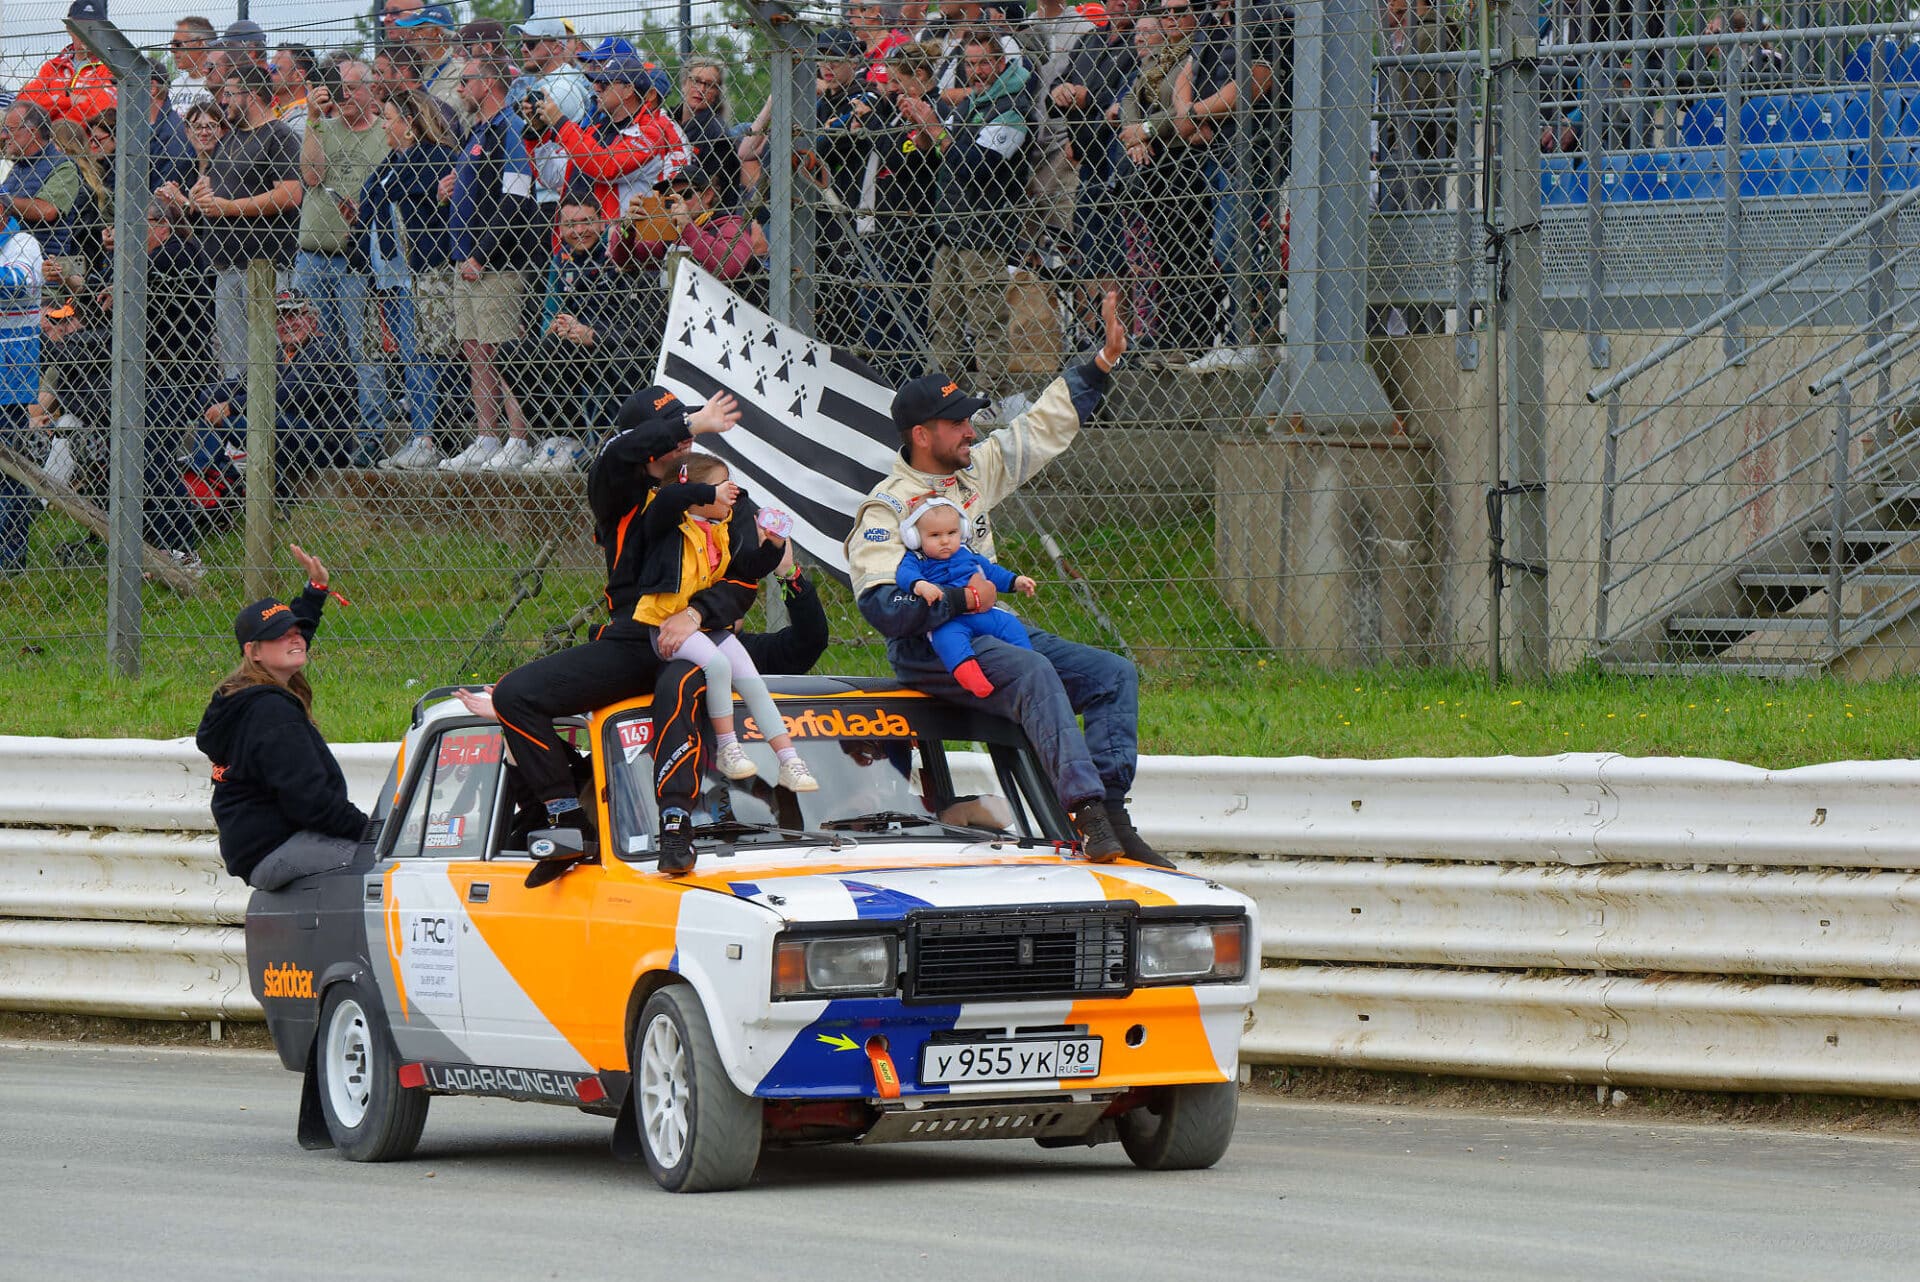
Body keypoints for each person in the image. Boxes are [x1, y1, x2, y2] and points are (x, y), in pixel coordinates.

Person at [844, 290, 1170, 867]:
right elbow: (882, 607)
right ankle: (1087, 814)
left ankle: (1114, 817)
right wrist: (958, 598)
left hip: (995, 629)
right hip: (931, 649)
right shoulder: (885, 508)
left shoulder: (974, 474)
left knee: (1113, 674)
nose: (972, 430)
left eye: (971, 419)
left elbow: (1039, 429)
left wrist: (1103, 362)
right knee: (1034, 670)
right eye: (958, 422)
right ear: (922, 434)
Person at [489, 385, 748, 874]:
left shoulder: (720, 487)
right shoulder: (617, 486)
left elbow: (744, 575)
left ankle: (677, 829)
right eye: (671, 430)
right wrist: (692, 423)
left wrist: (697, 614)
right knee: (514, 695)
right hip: (634, 638)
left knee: (678, 689)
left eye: (685, 425)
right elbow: (617, 450)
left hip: (703, 639)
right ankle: (567, 821)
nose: (683, 441)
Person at [632, 453, 817, 794]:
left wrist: (774, 545)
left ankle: (789, 760)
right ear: (697, 491)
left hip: (704, 625)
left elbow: (748, 568)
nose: (734, 492)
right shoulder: (666, 523)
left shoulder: (720, 531)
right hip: (665, 624)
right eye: (723, 485)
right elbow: (669, 497)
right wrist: (703, 492)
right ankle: (728, 748)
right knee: (718, 666)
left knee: (750, 678)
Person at [197, 545, 370, 890]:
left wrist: (316, 590)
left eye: (295, 630)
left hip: (263, 848)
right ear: (254, 652)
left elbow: (293, 640)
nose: (294, 637)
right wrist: (375, 833)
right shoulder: (271, 713)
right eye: (280, 633)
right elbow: (314, 805)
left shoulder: (243, 692)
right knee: (388, 863)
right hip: (279, 847)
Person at [917, 29, 1035, 404]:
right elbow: (942, 151)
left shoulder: (1014, 108)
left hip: (984, 231)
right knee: (943, 317)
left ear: (1001, 63)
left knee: (986, 320)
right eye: (970, 63)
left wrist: (935, 131)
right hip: (951, 228)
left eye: (984, 62)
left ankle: (991, 399)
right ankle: (943, 397)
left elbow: (977, 168)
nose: (977, 70)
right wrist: (924, 130)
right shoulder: (971, 104)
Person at [438, 57, 543, 473]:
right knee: (474, 348)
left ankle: (517, 440)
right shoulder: (476, 132)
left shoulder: (509, 129)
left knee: (503, 349)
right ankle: (486, 437)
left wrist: (482, 251)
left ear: (489, 82)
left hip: (499, 264)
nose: (460, 89)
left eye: (466, 81)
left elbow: (515, 197)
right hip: (466, 262)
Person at [293, 58, 389, 467]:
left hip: (357, 260)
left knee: (360, 350)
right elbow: (312, 176)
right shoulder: (323, 128)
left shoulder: (385, 134)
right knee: (317, 351)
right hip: (313, 255)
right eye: (339, 87)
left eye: (353, 88)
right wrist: (314, 118)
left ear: (371, 91)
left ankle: (369, 435)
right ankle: (326, 434)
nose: (345, 95)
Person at [363, 90, 458, 470]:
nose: (383, 125)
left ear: (410, 124)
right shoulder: (393, 161)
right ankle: (419, 435)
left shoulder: (438, 159)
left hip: (426, 275)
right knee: (409, 356)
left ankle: (428, 438)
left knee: (424, 356)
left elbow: (411, 195)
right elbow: (371, 197)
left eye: (388, 118)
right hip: (392, 276)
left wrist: (417, 192)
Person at [192, 62, 302, 380]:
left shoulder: (279, 136)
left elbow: (290, 194)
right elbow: (211, 190)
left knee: (266, 359)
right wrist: (197, 195)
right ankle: (238, 423)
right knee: (234, 364)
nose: (223, 101)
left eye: (229, 94)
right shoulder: (230, 139)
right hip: (226, 267)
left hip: (264, 268)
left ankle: (265, 426)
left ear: (250, 94)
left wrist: (231, 208)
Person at [896, 496, 1036, 698]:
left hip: (982, 612)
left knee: (1010, 624)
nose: (945, 540)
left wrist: (1016, 582)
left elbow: (992, 572)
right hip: (948, 619)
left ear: (961, 530)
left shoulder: (966, 552)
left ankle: (1027, 664)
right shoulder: (917, 558)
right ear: (915, 537)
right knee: (947, 640)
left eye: (952, 533)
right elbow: (904, 574)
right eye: (935, 535)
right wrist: (920, 585)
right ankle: (972, 679)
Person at [0, 217, 45, 578]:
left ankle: (10, 559)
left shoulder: (23, 243)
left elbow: (18, 284)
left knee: (8, 471)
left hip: (10, 376)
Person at [170, 17, 219, 114]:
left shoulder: (218, 86)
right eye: (171, 44)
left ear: (200, 43)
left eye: (178, 44)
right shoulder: (175, 85)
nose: (172, 50)